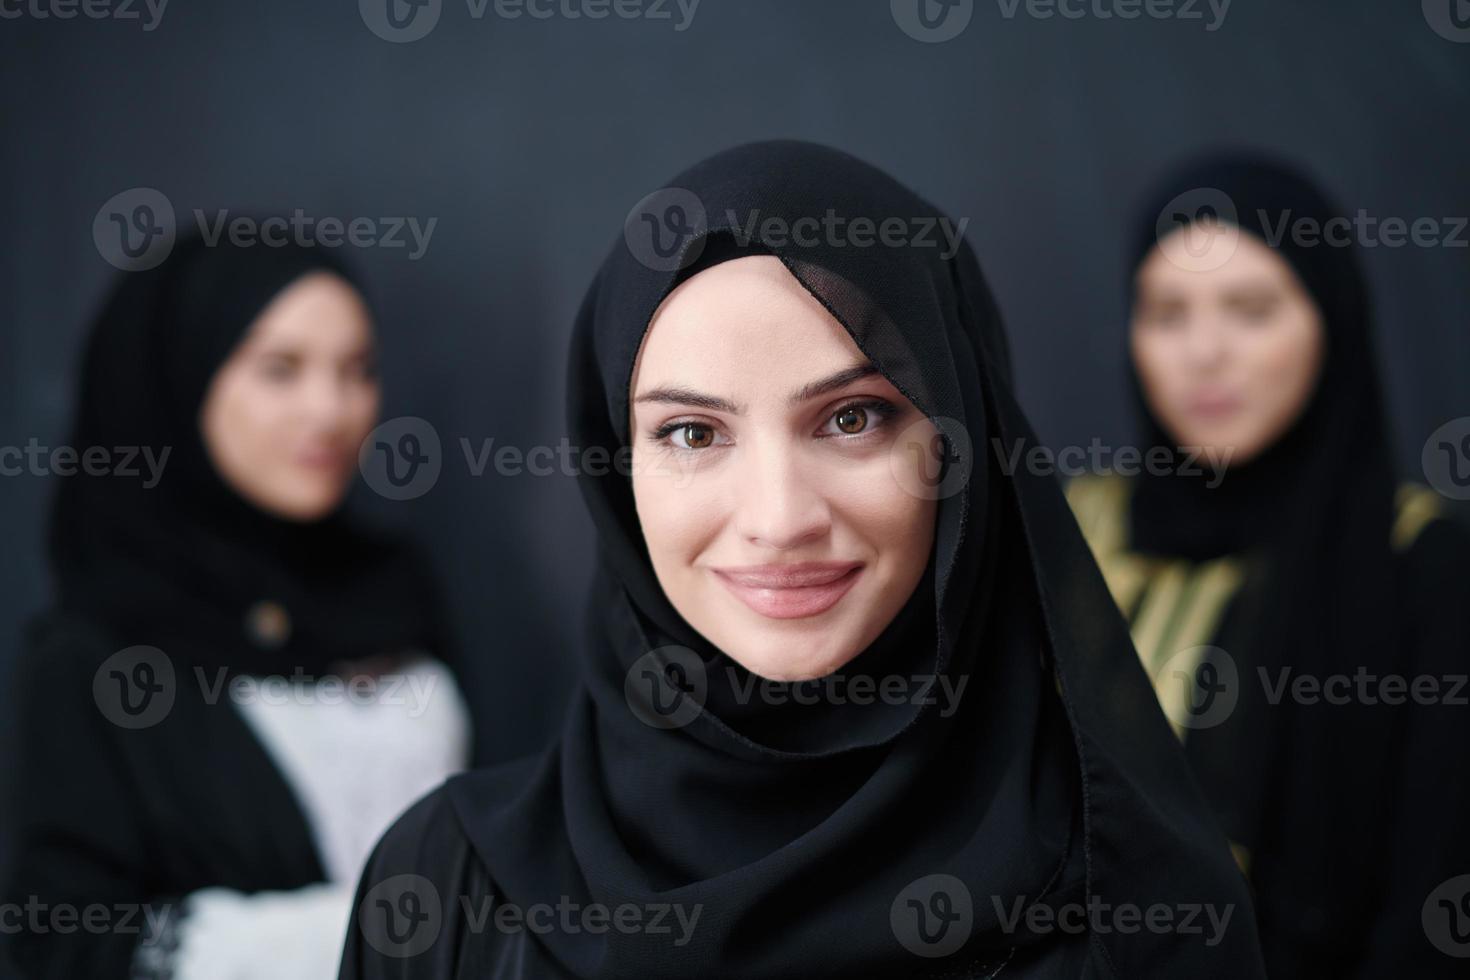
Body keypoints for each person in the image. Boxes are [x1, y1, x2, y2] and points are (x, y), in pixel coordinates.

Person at [337, 141, 1265, 978]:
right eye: (694, 431)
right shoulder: (443, 890)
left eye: (853, 418)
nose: (779, 520)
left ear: (962, 443)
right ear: (615, 470)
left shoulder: (1133, 916)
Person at [4, 234, 473, 979]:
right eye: (279, 369)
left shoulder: (392, 591)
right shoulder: (94, 654)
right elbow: (63, 947)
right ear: (184, 378)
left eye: (358, 370)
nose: (331, 409)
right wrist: (384, 936)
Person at [1066, 154, 1470, 976]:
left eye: (1251, 310)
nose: (1204, 352)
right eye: (1167, 313)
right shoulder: (1079, 527)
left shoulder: (1426, 564)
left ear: (1328, 318)